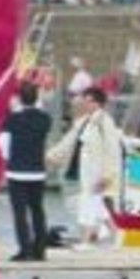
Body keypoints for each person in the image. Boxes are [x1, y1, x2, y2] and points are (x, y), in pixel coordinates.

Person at [48, 86, 122, 246]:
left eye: (89, 101)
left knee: (88, 204)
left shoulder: (105, 122)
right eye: (85, 101)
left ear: (98, 103)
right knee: (96, 205)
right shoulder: (83, 122)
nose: (86, 104)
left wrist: (107, 176)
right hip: (84, 171)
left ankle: (86, 241)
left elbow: (112, 152)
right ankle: (116, 234)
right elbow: (69, 142)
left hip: (97, 172)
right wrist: (51, 156)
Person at [1, 81, 53, 261]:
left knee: (20, 212)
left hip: (16, 171)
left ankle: (25, 249)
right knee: (38, 210)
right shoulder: (45, 119)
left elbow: (4, 145)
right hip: (37, 171)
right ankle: (40, 249)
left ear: (19, 98)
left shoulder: (12, 119)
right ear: (36, 98)